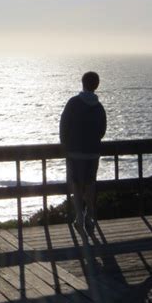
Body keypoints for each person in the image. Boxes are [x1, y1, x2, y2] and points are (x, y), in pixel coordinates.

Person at [60, 71, 107, 235]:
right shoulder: (99, 107)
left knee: (76, 184)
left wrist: (65, 144)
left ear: (82, 83)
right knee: (90, 183)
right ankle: (90, 216)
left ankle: (79, 216)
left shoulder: (73, 103)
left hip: (74, 152)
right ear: (97, 85)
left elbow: (63, 125)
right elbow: (102, 130)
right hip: (93, 152)